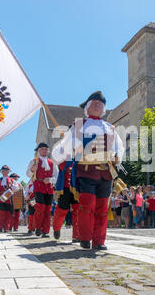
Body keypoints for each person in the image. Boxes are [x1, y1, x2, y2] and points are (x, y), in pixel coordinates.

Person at [51, 91, 124, 250]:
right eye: (94, 103)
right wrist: (72, 149)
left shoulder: (110, 128)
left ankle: (98, 241)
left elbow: (119, 148)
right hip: (86, 170)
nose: (98, 105)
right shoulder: (78, 126)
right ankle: (84, 238)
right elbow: (61, 149)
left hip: (105, 172)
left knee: (102, 207)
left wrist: (118, 157)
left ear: (104, 108)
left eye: (101, 103)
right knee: (87, 204)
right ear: (87, 108)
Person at [27, 143, 58, 238]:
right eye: (42, 149)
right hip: (38, 186)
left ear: (48, 151)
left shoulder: (52, 163)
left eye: (45, 149)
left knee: (48, 209)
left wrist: (50, 180)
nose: (44, 151)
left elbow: (56, 176)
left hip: (49, 188)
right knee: (40, 207)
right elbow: (28, 174)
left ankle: (46, 231)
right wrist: (32, 170)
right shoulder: (33, 161)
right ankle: (38, 228)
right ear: (38, 151)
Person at [52, 159, 80, 242]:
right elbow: (62, 167)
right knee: (62, 210)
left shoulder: (80, 155)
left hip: (77, 187)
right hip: (64, 187)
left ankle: (76, 235)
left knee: (77, 211)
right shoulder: (63, 155)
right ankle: (56, 228)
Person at [0, 165, 20, 233]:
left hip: (9, 197)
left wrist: (11, 189)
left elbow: (17, 187)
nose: (5, 172)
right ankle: (0, 227)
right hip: (1, 198)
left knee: (8, 213)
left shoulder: (12, 180)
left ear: (8, 172)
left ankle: (6, 227)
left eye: (6, 170)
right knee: (1, 213)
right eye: (3, 170)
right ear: (1, 171)